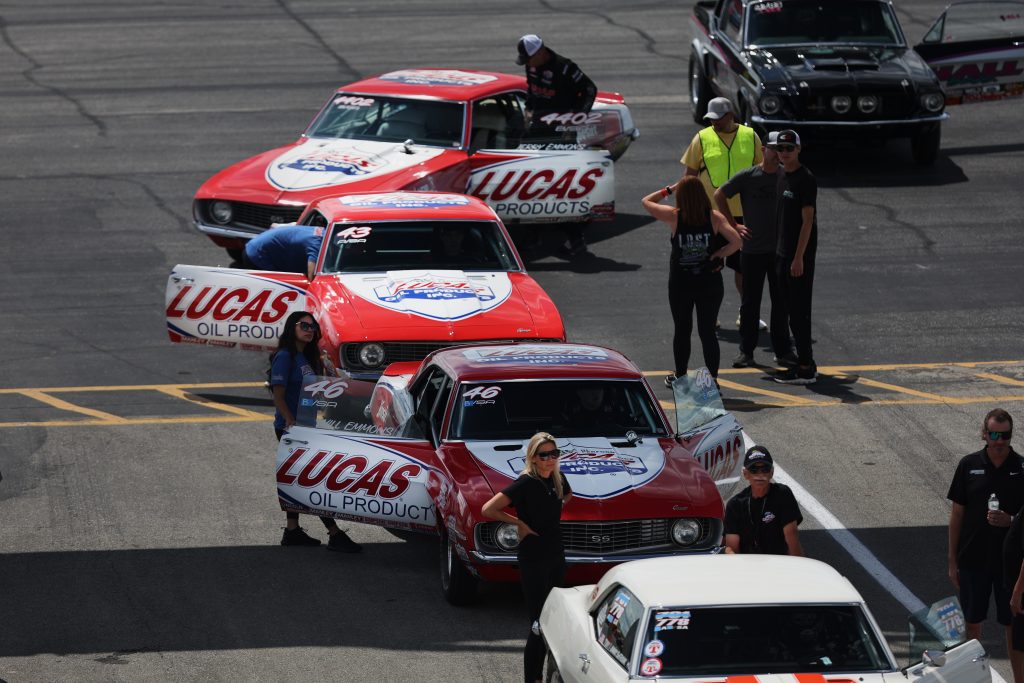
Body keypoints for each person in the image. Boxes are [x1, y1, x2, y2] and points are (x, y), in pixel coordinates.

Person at [482, 432, 572, 683]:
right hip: (534, 557)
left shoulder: (558, 478)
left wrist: (554, 509)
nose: (550, 459)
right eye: (544, 455)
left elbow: (567, 495)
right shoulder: (525, 483)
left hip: (556, 555)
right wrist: (519, 523)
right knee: (538, 624)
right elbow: (488, 509)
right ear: (533, 457)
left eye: (554, 454)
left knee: (552, 620)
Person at [270, 310, 362, 553]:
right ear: (292, 327)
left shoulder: (305, 357)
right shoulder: (285, 356)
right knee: (313, 480)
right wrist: (290, 421)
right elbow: (278, 394)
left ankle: (292, 531)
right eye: (304, 325)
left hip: (306, 426)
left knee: (296, 479)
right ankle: (334, 533)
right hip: (292, 429)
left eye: (313, 327)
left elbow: (314, 392)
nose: (310, 330)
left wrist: (329, 376)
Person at [642, 176, 741, 388]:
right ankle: (713, 380)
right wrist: (719, 254)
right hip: (710, 283)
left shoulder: (674, 216)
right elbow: (736, 241)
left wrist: (669, 189)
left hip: (681, 284)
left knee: (682, 330)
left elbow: (646, 201)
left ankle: (680, 376)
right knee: (708, 332)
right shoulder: (714, 217)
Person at [714, 131, 797, 369]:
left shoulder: (786, 176)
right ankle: (746, 351)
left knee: (781, 303)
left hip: (779, 251)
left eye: (782, 149)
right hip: (752, 251)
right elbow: (720, 194)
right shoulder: (749, 176)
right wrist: (733, 224)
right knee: (750, 303)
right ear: (763, 150)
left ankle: (783, 351)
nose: (778, 153)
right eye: (774, 148)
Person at [680, 97, 764, 330]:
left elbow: (763, 171)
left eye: (718, 118)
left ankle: (747, 314)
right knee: (707, 267)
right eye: (711, 119)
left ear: (731, 115)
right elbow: (689, 177)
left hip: (744, 215)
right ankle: (709, 315)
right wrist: (686, 209)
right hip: (709, 215)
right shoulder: (702, 138)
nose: (714, 123)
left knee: (744, 268)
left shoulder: (750, 136)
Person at [949, 409, 1023, 657]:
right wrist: (952, 561)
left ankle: (1019, 676)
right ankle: (973, 672)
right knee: (972, 622)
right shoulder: (968, 465)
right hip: (973, 560)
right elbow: (957, 515)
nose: (999, 441)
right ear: (984, 434)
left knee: (1013, 625)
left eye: (1005, 435)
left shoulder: (1022, 468)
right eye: (994, 435)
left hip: (1009, 564)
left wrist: (1010, 520)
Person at [516, 33, 596, 257]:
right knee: (532, 184)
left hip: (562, 133)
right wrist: (528, 110)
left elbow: (590, 90)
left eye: (529, 58)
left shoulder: (565, 67)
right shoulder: (531, 65)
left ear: (540, 52)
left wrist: (577, 117)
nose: (528, 63)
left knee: (561, 186)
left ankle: (575, 237)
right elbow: (532, 91)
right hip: (536, 132)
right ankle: (533, 234)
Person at [769, 130, 819, 385]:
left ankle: (806, 367)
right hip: (781, 253)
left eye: (789, 148)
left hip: (797, 258)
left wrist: (799, 258)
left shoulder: (805, 179)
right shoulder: (782, 175)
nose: (785, 153)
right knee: (787, 310)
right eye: (781, 148)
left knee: (799, 312)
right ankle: (802, 360)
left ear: (799, 149)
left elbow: (807, 222)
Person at [723, 446, 803, 555]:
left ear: (771, 472)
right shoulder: (735, 505)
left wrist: (797, 564)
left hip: (779, 561)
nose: (760, 474)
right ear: (746, 474)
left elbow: (792, 538)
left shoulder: (783, 495)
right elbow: (732, 548)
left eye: (765, 469)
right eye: (754, 470)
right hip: (747, 562)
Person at [242, 224, 324, 279]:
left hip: (256, 245)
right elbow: (312, 277)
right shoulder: (317, 243)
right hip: (256, 255)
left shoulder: (323, 231)